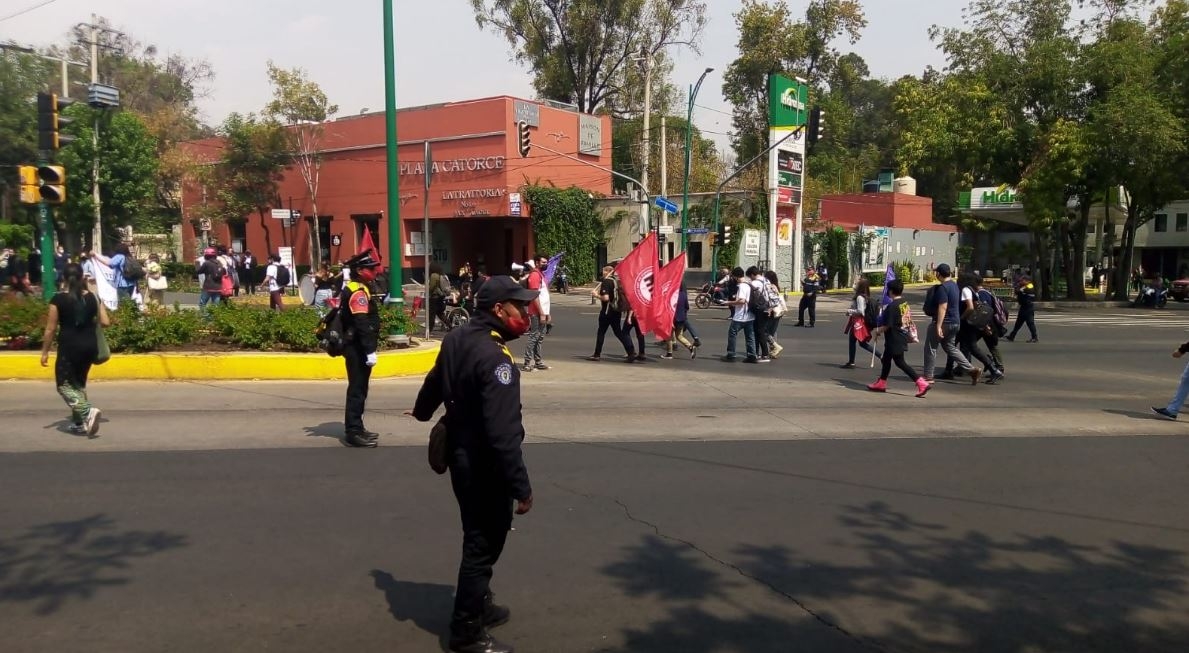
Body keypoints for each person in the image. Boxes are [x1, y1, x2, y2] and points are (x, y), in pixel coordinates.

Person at [409, 275, 535, 653]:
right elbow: (503, 434)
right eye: (521, 306)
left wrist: (421, 411)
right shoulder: (497, 359)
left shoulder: (458, 337)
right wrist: (521, 487)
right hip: (485, 464)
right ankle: (465, 631)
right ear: (499, 310)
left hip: (462, 457)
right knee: (482, 545)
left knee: (475, 534)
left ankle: (480, 603)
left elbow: (435, 378)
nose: (526, 313)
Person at [39, 263, 110, 436]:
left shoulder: (58, 299)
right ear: (82, 278)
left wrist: (45, 351)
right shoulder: (94, 297)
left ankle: (87, 412)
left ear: (64, 278)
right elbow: (106, 322)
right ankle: (79, 423)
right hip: (89, 347)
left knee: (63, 385)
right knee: (78, 384)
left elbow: (50, 328)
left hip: (69, 348)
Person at [340, 250, 383, 448]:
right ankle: (353, 432)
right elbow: (361, 322)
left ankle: (358, 426)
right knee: (357, 390)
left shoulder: (361, 287)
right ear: (360, 270)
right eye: (371, 268)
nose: (375, 271)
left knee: (361, 389)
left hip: (358, 346)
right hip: (357, 348)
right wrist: (369, 350)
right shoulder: (357, 291)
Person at [867, 279, 930, 398]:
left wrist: (877, 331)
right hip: (901, 335)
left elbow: (888, 325)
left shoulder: (892, 306)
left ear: (890, 291)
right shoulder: (903, 302)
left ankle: (921, 382)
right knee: (886, 359)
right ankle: (881, 382)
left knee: (900, 362)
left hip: (894, 338)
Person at [922, 263, 980, 384]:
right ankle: (971, 369)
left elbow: (942, 306)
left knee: (931, 348)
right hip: (955, 322)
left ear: (938, 274)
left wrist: (938, 325)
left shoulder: (943, 288)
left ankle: (928, 376)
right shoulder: (954, 286)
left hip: (945, 322)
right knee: (950, 347)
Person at [586, 265, 635, 362]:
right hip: (616, 310)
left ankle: (597, 354)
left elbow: (606, 298)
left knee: (601, 332)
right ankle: (631, 352)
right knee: (618, 332)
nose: (602, 273)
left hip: (607, 311)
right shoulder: (616, 281)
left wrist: (596, 295)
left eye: (603, 271)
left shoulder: (606, 282)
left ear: (607, 271)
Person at [722, 267, 758, 363]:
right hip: (750, 315)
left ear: (736, 277)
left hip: (740, 316)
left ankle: (731, 354)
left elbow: (742, 301)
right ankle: (752, 355)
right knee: (750, 336)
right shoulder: (749, 284)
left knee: (732, 334)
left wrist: (728, 302)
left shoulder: (742, 286)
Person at [842, 278, 881, 368]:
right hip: (857, 322)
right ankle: (851, 361)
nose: (854, 285)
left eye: (856, 284)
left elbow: (861, 311)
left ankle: (881, 356)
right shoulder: (863, 296)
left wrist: (850, 311)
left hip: (858, 323)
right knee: (855, 341)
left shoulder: (859, 297)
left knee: (861, 342)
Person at [521, 258, 549, 370]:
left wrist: (547, 313)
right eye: (543, 262)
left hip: (543, 311)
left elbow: (545, 296)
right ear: (537, 263)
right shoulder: (535, 275)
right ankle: (527, 363)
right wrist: (542, 313)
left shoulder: (541, 275)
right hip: (536, 312)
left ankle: (538, 361)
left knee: (540, 337)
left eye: (546, 262)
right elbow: (535, 296)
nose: (545, 264)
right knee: (534, 337)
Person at [663, 284, 696, 359]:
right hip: (681, 319)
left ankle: (669, 353)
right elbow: (687, 307)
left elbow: (668, 308)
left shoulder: (671, 295)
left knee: (669, 336)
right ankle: (690, 347)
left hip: (672, 319)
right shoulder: (683, 295)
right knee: (679, 336)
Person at [1006, 275, 1038, 342]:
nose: (1021, 281)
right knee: (1018, 323)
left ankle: (1034, 337)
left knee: (1030, 323)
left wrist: (1019, 288)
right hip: (1023, 307)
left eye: (1023, 280)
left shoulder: (1029, 286)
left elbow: (1020, 291)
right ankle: (1012, 336)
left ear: (1027, 281)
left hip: (1028, 307)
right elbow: (1018, 292)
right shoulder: (1023, 286)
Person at [196, 247, 225, 312]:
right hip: (218, 287)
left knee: (202, 304)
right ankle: (213, 319)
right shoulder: (219, 263)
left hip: (208, 287)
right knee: (215, 306)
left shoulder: (207, 263)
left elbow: (198, 271)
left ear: (206, 255)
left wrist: (197, 264)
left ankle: (206, 318)